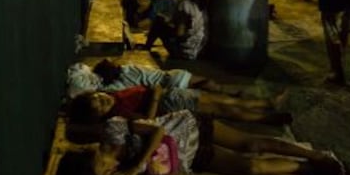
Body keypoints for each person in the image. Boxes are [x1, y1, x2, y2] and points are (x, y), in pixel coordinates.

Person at [54, 109, 350, 175]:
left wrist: (138, 165)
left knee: (251, 144)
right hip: (189, 158)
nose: (107, 170)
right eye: (104, 174)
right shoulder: (116, 168)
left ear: (92, 156)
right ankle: (304, 170)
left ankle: (315, 157)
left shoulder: (112, 131)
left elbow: (157, 133)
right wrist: (146, 171)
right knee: (249, 169)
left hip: (188, 126)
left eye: (100, 167)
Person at [65, 86, 292, 142]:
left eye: (96, 97)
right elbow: (149, 122)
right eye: (100, 106)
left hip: (172, 94)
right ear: (102, 115)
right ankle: (267, 117)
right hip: (169, 103)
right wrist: (154, 97)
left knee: (220, 100)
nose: (102, 99)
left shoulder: (111, 94)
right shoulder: (119, 113)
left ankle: (265, 104)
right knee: (224, 110)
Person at [66, 59, 230, 98]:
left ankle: (226, 97)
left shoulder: (117, 86)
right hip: (174, 75)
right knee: (209, 85)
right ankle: (229, 92)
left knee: (205, 98)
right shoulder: (128, 66)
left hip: (168, 88)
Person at [135, 0, 208, 60]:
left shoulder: (185, 4)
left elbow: (180, 33)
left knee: (159, 21)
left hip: (184, 53)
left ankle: (147, 47)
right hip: (198, 50)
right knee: (162, 22)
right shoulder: (201, 2)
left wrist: (166, 27)